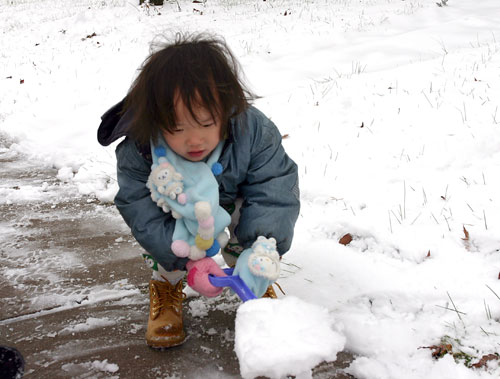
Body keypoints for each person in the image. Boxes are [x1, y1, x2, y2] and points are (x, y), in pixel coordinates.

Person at [97, 33, 300, 349]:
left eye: (206, 123)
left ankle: (251, 279)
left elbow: (274, 189)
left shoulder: (253, 131)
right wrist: (187, 257)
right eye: (177, 128)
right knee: (171, 241)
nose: (195, 140)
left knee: (250, 229)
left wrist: (261, 246)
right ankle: (166, 286)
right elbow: (140, 209)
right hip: (176, 210)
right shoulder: (141, 149)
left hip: (232, 201)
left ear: (227, 109)